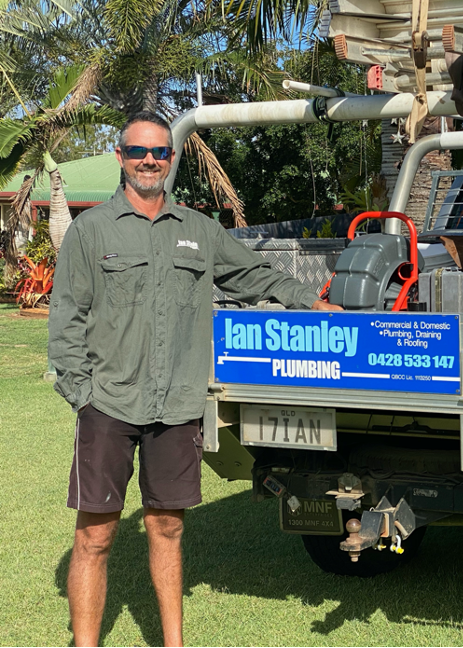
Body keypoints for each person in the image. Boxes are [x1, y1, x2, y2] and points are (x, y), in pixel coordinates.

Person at [48, 111, 341, 647]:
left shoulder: (199, 231)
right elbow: (66, 318)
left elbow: (251, 273)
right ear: (121, 158)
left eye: (160, 152)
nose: (150, 161)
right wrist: (81, 395)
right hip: (108, 405)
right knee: (94, 536)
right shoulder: (91, 232)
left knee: (168, 528)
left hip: (177, 405)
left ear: (171, 159)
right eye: (138, 151)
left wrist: (309, 300)